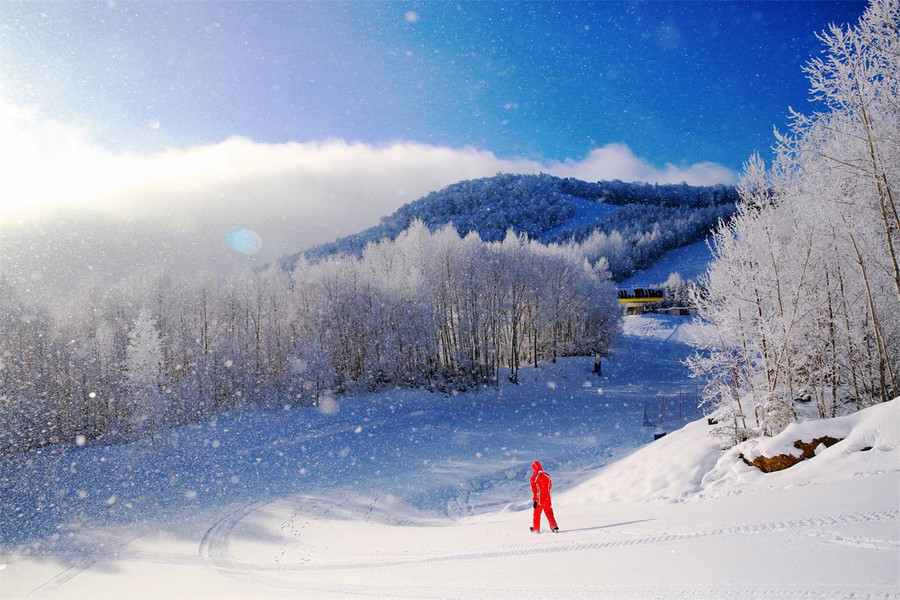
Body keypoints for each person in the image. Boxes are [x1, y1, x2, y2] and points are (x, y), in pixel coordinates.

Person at [529, 460, 559, 533]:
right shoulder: (547, 475)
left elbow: (534, 491)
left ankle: (536, 529)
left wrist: (535, 501)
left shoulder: (533, 478)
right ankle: (554, 527)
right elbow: (550, 486)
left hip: (539, 500)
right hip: (547, 497)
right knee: (549, 512)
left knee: (537, 514)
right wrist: (545, 492)